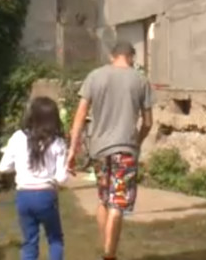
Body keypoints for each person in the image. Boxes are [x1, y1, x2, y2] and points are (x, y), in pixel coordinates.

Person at [67, 41, 154, 260]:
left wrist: (72, 150)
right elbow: (148, 122)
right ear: (132, 57)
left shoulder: (95, 76)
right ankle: (109, 253)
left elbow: (79, 116)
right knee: (118, 201)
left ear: (111, 56)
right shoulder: (141, 80)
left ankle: (106, 248)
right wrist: (137, 141)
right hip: (125, 148)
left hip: (99, 150)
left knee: (103, 199)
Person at [0, 96, 68, 260]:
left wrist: (21, 168)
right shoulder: (57, 142)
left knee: (29, 241)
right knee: (55, 238)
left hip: (24, 196)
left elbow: (3, 167)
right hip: (46, 195)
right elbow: (61, 177)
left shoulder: (18, 137)